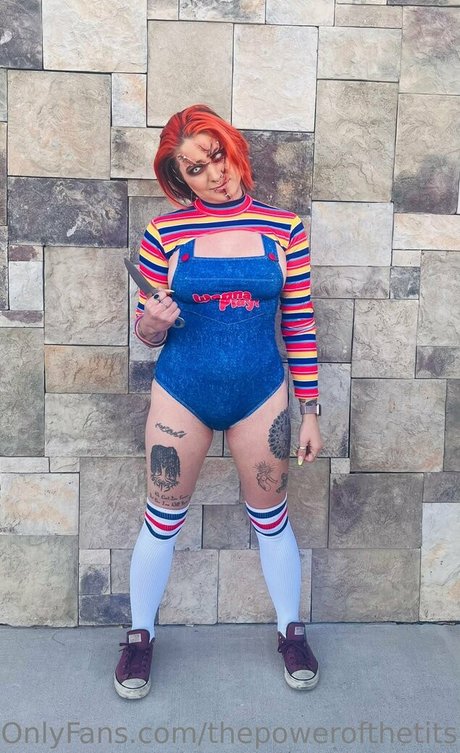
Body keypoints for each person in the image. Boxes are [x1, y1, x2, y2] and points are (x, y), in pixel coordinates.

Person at [114, 104, 323, 700]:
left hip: (262, 395)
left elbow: (299, 320)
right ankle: (139, 637)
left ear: (233, 149)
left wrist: (310, 410)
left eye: (217, 156)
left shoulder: (284, 229)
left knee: (272, 517)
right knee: (162, 519)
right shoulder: (164, 235)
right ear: (179, 178)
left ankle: (290, 632)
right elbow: (147, 331)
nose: (215, 174)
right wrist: (152, 323)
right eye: (195, 168)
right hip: (183, 394)